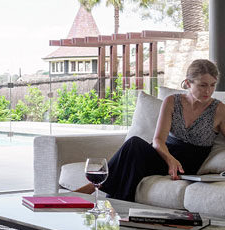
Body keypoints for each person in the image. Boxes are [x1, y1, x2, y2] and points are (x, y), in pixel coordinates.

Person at [76, 59, 224, 202]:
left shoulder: (219, 110)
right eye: (203, 85)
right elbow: (158, 140)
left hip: (185, 166)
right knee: (134, 145)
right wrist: (169, 159)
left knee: (133, 155)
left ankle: (94, 186)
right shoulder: (172, 101)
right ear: (187, 83)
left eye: (212, 85)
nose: (208, 91)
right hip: (164, 156)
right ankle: (119, 208)